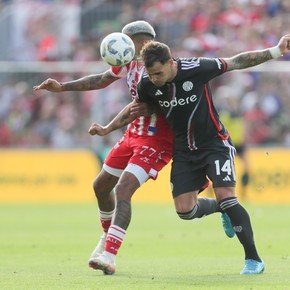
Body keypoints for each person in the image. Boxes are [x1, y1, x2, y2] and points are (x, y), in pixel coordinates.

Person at [33, 20, 234, 275]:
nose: (127, 46)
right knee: (101, 185)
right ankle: (107, 238)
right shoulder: (127, 63)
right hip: (133, 134)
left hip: (158, 140)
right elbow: (102, 79)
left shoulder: (163, 68)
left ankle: (110, 255)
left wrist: (108, 127)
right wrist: (63, 87)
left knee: (125, 188)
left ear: (144, 42)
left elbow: (160, 104)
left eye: (132, 41)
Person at [135, 37, 290, 274]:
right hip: (185, 152)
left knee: (228, 196)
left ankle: (254, 260)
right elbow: (140, 109)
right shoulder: (146, 84)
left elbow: (236, 61)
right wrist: (108, 128)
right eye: (150, 74)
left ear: (170, 62)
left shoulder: (197, 68)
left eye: (157, 73)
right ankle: (220, 209)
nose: (154, 79)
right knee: (185, 211)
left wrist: (276, 51)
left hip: (215, 145)